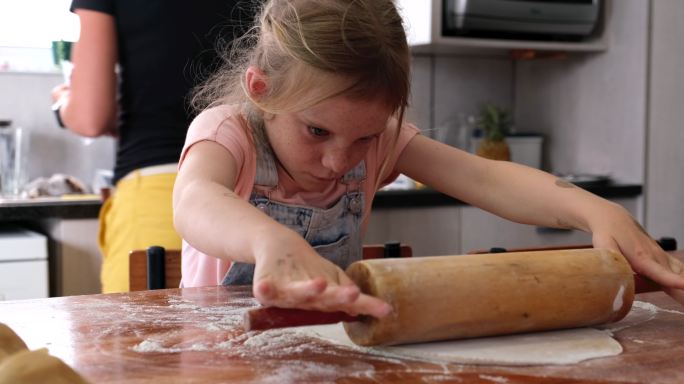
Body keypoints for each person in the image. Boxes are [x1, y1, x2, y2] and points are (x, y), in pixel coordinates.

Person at [173, 0, 684, 317]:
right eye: (317, 131)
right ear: (262, 90)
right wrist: (269, 239)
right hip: (217, 360)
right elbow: (195, 201)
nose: (337, 160)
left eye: (364, 138)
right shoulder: (229, 133)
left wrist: (598, 211)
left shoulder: (382, 142)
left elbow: (487, 178)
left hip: (329, 350)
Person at [51, 0, 253, 293]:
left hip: (160, 201)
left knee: (144, 336)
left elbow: (90, 117)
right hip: (258, 190)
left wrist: (61, 102)